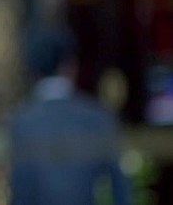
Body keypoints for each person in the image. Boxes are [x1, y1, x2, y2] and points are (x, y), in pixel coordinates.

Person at [10, 26, 131, 205]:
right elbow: (119, 188)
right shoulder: (97, 117)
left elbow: (20, 191)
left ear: (33, 70)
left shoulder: (21, 122)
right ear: (71, 65)